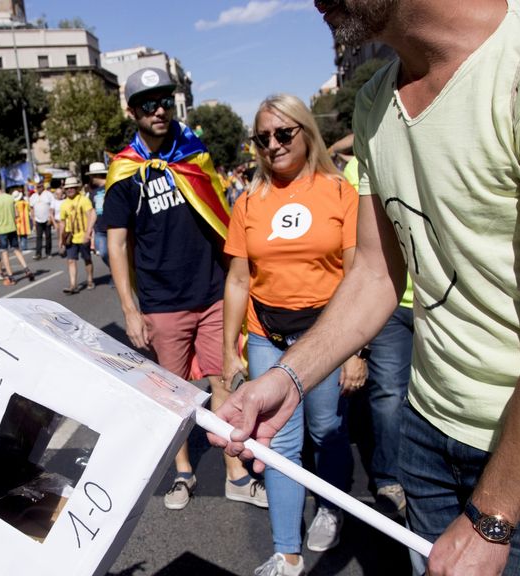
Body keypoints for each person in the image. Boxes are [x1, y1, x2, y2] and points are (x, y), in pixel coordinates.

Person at [212, 2, 520, 575]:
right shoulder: (375, 102)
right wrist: (289, 378)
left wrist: (492, 518)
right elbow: (374, 274)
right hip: (428, 434)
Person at [102, 67, 264, 512]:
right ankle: (183, 472)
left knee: (225, 380)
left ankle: (235, 473)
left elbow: (221, 219)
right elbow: (116, 245)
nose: (159, 109)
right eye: (148, 103)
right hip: (162, 301)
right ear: (132, 111)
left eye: (164, 101)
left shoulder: (194, 153)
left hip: (212, 292)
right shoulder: (124, 171)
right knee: (172, 394)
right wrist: (130, 310)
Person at [222, 94, 364, 576]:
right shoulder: (248, 200)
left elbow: (355, 273)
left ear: (306, 132)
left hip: (325, 335)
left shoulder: (339, 191)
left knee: (327, 431)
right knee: (279, 440)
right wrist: (229, 352)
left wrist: (353, 350)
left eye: (284, 134)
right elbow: (239, 280)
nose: (273, 145)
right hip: (266, 335)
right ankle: (286, 552)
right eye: (263, 138)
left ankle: (331, 505)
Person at [342, 156, 413, 514]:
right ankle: (388, 478)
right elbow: (360, 246)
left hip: (446, 299)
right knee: (388, 393)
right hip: (392, 300)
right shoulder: (361, 167)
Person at [0, 179, 34, 285]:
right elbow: (17, 213)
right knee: (17, 250)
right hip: (12, 228)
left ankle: (11, 276)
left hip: (2, 230)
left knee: (4, 253)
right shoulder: (10, 197)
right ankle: (26, 269)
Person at [57, 177, 95, 294]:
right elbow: (62, 222)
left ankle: (89, 279)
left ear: (77, 188)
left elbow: (91, 216)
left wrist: (89, 234)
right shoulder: (64, 204)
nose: (70, 190)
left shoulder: (84, 200)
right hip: (71, 238)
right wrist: (61, 239)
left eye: (72, 187)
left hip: (83, 236)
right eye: (67, 188)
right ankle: (73, 284)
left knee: (87, 259)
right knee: (71, 260)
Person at [87, 162, 110, 266]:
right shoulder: (93, 192)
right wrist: (88, 231)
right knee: (103, 253)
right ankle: (114, 271)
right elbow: (94, 211)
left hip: (113, 226)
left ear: (96, 176)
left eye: (91, 176)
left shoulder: (111, 185)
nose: (90, 179)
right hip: (100, 230)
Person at [29, 182, 55, 260]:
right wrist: (33, 219)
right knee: (39, 237)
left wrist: (51, 218)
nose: (39, 188)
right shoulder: (33, 196)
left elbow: (52, 206)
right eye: (37, 187)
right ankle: (38, 253)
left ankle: (48, 252)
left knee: (48, 236)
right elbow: (31, 208)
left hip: (47, 218)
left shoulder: (48, 194)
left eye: (40, 186)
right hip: (38, 220)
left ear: (43, 187)